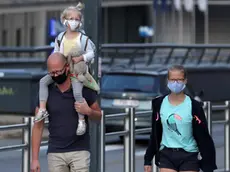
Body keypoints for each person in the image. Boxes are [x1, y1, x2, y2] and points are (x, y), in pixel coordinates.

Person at [34, 2, 99, 136]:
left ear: (80, 22)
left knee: (77, 93)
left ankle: (81, 120)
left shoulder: (83, 39)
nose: (74, 22)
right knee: (43, 82)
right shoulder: (60, 38)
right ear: (64, 20)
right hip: (62, 69)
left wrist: (81, 58)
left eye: (77, 19)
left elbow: (92, 53)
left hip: (76, 70)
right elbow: (56, 53)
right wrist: (55, 64)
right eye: (71, 19)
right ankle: (42, 109)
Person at [31, 52, 102, 172]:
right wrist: (35, 159)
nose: (55, 75)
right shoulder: (46, 92)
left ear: (67, 67)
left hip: (80, 151)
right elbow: (38, 126)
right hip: (55, 152)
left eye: (58, 71)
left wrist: (88, 111)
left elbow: (99, 117)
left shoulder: (84, 89)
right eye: (51, 73)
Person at [144, 65, 217, 172]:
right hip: (166, 154)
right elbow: (155, 132)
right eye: (173, 80)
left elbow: (204, 135)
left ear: (185, 81)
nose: (176, 83)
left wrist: (208, 164)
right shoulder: (159, 104)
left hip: (189, 155)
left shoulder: (195, 106)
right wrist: (148, 159)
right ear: (168, 81)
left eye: (179, 80)